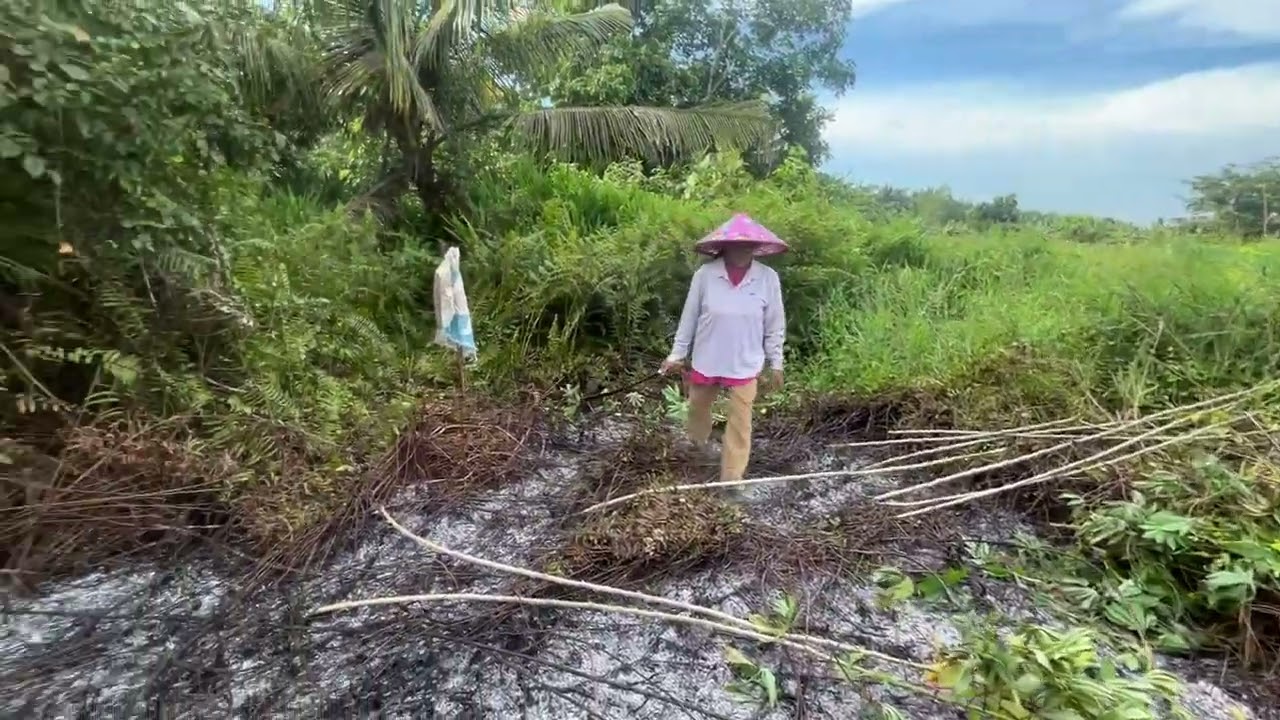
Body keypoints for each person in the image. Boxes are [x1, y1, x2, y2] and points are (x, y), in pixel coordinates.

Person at [659, 214, 788, 492]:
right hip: (708, 358)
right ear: (724, 247)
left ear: (756, 248)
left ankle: (732, 481)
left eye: (748, 246)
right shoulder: (705, 275)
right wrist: (676, 354)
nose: (742, 250)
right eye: (736, 245)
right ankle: (696, 457)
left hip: (746, 362)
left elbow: (775, 324)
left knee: (741, 424)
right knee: (697, 412)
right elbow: (689, 318)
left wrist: (776, 362)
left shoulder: (767, 278)